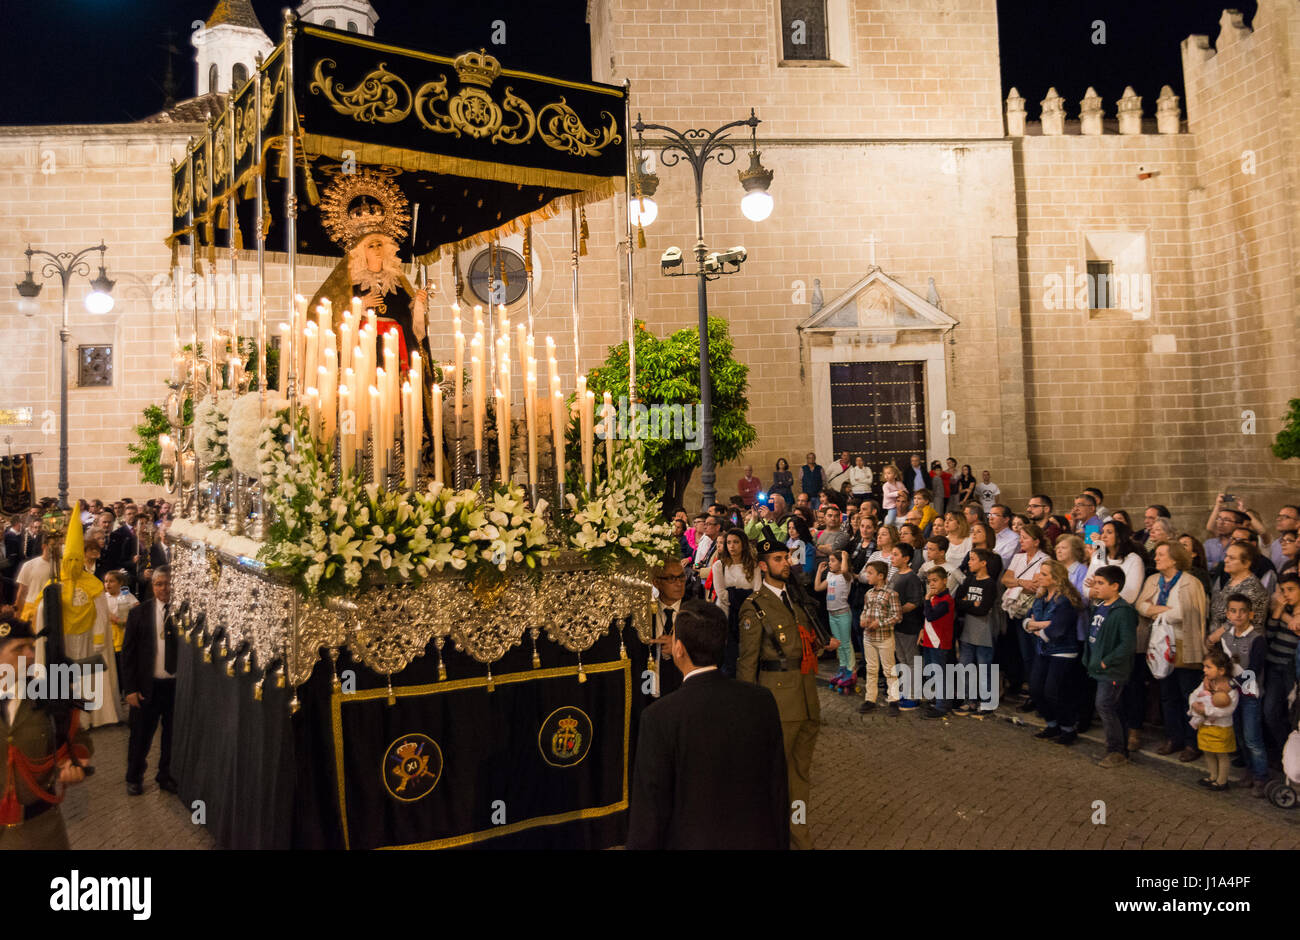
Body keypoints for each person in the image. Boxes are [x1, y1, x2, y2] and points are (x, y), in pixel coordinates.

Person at [627, 600, 788, 850]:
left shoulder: (658, 717)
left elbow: (649, 811)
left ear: (678, 649)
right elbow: (778, 789)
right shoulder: (762, 701)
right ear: (723, 644)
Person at [737, 526, 838, 850]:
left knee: (800, 777)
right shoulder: (754, 607)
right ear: (764, 565)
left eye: (788, 557)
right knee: (771, 776)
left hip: (807, 698)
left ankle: (799, 836)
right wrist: (748, 712)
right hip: (778, 701)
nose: (786, 563)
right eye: (779, 559)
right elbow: (747, 663)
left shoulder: (797, 600)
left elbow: (802, 646)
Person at [0, 614, 93, 849]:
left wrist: (74, 760)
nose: (30, 655)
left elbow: (77, 738)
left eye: (32, 647)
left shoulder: (50, 695)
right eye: (19, 648)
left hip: (41, 831)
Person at [34, 516, 121, 728]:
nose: (73, 565)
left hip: (88, 639)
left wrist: (100, 636)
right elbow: (41, 609)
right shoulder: (54, 584)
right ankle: (68, 717)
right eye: (69, 560)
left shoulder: (93, 584)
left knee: (88, 678)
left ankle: (92, 716)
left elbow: (101, 613)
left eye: (76, 560)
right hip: (63, 640)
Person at [1135, 539, 1208, 761]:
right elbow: (1141, 605)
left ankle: (1191, 743)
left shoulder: (1191, 582)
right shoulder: (1154, 579)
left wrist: (1157, 611)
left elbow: (1190, 612)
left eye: (1160, 554)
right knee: (1167, 695)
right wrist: (1166, 610)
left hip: (1186, 644)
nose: (1155, 558)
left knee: (1188, 695)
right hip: (1159, 644)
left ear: (1174, 558)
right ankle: (1173, 737)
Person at [121, 565, 179, 796]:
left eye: (168, 583)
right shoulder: (139, 613)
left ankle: (165, 775)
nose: (164, 588)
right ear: (152, 586)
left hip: (174, 685)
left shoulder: (185, 612)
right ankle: (134, 776)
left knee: (171, 735)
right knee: (140, 735)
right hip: (147, 686)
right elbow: (128, 654)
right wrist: (131, 689)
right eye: (159, 584)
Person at [1209, 593, 1269, 795]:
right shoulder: (1225, 637)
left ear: (1251, 614)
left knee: (1252, 738)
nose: (1238, 615)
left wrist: (1232, 684)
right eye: (1233, 611)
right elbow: (1223, 663)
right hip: (1232, 695)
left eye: (1243, 611)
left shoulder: (1257, 639)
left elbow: (1254, 670)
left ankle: (1261, 777)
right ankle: (1250, 771)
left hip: (1249, 694)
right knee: (1241, 736)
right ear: (1227, 614)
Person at [1022, 561, 1085, 744]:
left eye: (1043, 574)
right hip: (1043, 650)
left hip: (1062, 652)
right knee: (1035, 689)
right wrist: (1039, 625)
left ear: (1055, 578)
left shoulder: (1065, 600)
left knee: (1053, 691)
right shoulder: (1041, 597)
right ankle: (1051, 724)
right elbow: (1027, 619)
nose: (1038, 577)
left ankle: (1067, 728)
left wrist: (1037, 626)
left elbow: (1058, 629)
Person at [1083, 565, 1139, 767]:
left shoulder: (1123, 611)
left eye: (1101, 583)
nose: (1096, 587)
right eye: (1095, 583)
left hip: (1112, 669)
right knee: (1112, 707)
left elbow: (1127, 644)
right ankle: (1119, 749)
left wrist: (1107, 660)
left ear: (1115, 586)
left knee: (1105, 705)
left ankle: (1116, 751)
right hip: (1098, 665)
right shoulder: (1101, 606)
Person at [1000, 523, 1050, 709]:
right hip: (1014, 608)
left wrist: (1016, 583)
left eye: (1025, 538)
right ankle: (1030, 690)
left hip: (1031, 610)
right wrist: (1021, 581)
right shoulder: (1018, 557)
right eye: (1020, 537)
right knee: (1021, 653)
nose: (1021, 541)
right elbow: (1006, 580)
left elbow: (1035, 586)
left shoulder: (1045, 559)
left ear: (1036, 541)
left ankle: (1036, 694)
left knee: (1032, 653)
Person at [952, 548, 1000, 716]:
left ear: (983, 563)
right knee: (965, 667)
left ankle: (987, 702)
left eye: (973, 559)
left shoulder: (990, 584)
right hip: (968, 631)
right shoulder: (970, 579)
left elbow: (984, 609)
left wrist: (968, 603)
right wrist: (973, 604)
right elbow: (958, 602)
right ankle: (969, 700)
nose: (969, 562)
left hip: (984, 632)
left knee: (984, 668)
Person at [712, 530, 762, 678]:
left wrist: (742, 597)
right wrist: (741, 595)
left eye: (736, 542)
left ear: (743, 544)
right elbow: (721, 593)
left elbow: (757, 589)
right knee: (729, 649)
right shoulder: (720, 566)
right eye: (728, 542)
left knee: (748, 647)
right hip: (726, 611)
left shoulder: (753, 565)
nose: (732, 546)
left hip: (748, 611)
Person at [1189, 647, 1239, 791]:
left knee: (1221, 754)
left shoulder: (1231, 689)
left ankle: (1222, 781)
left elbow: (1228, 710)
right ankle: (1212, 776)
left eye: (1208, 667)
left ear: (1221, 670)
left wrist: (1206, 710)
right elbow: (1194, 694)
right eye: (1204, 666)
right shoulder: (1206, 683)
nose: (1204, 670)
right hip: (1205, 725)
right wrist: (1193, 704)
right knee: (1208, 751)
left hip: (1221, 728)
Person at [1262, 572, 1300, 762]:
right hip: (1274, 664)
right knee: (1270, 712)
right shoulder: (1282, 609)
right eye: (1283, 590)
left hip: (1291, 669)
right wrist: (1278, 612)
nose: (1286, 594)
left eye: (1291, 590)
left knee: (1291, 714)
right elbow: (1269, 635)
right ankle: (1282, 751)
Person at [858, 560, 902, 714]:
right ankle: (870, 699)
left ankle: (894, 700)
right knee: (871, 669)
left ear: (881, 576)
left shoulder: (891, 594)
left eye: (870, 573)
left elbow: (897, 616)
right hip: (869, 638)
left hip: (884, 638)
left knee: (889, 670)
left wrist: (880, 623)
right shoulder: (868, 593)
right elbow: (865, 610)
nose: (866, 576)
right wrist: (863, 620)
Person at [887, 542, 925, 712]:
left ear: (906, 558)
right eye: (892, 554)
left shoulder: (912, 577)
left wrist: (897, 612)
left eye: (896, 554)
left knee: (912, 660)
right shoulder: (896, 575)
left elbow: (915, 602)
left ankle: (914, 695)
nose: (892, 557)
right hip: (897, 625)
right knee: (902, 658)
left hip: (909, 624)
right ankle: (906, 689)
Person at [649, 560, 688, 698]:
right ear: (656, 582)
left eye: (682, 577)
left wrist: (680, 647)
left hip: (685, 694)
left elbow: (710, 653)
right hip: (650, 690)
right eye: (671, 578)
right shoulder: (646, 612)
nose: (679, 583)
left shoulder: (697, 612)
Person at [919, 567, 955, 719]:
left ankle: (942, 705)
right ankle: (935, 698)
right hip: (929, 640)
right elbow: (928, 619)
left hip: (939, 642)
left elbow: (931, 616)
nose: (932, 584)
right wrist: (922, 630)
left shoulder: (946, 600)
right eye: (929, 581)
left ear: (945, 581)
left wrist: (926, 599)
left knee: (940, 674)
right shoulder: (935, 598)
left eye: (935, 580)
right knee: (930, 672)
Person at [988, 504, 1019, 568]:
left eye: (995, 515)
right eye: (990, 515)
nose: (991, 518)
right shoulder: (987, 535)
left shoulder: (1014, 538)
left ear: (1006, 519)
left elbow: (1004, 563)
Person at [1270, 505, 1299, 570]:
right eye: (1279, 516)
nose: (1278, 519)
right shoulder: (1275, 544)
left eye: (1285, 517)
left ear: (1297, 523)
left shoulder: (1298, 542)